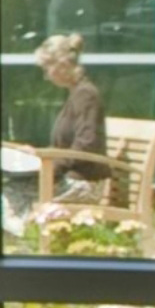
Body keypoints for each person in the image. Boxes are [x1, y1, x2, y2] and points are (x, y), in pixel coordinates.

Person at [35, 33, 110, 204]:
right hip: (69, 177)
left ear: (62, 64)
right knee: (11, 188)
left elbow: (86, 145)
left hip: (84, 183)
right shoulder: (75, 94)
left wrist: (50, 166)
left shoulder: (86, 95)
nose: (46, 76)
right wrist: (37, 156)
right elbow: (63, 146)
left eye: (47, 68)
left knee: (10, 196)